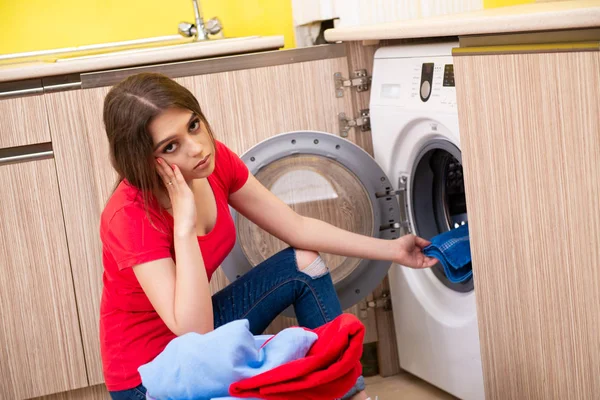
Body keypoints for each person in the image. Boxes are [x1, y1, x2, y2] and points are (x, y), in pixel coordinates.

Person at [100, 72, 438, 400]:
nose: (197, 148)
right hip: (148, 375)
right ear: (143, 161)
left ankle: (350, 394)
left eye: (193, 125)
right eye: (171, 146)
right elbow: (195, 334)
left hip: (200, 331)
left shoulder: (212, 162)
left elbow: (297, 228)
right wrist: (184, 226)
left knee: (304, 264)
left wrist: (393, 249)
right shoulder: (130, 215)